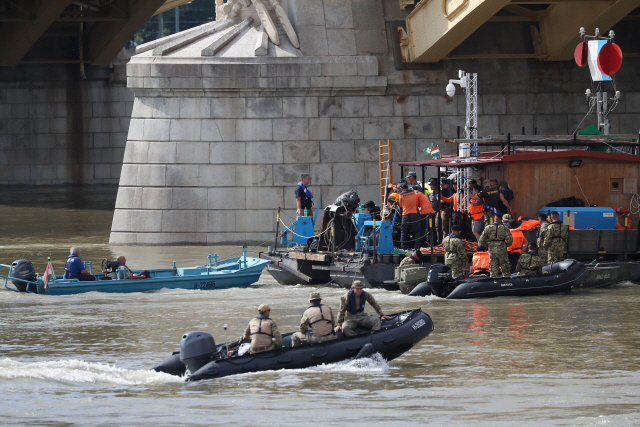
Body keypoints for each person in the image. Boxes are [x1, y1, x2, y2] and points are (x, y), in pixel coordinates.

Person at [478, 214, 513, 278]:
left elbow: (481, 240)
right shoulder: (504, 228)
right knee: (505, 266)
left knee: (493, 267)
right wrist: (506, 245)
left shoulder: (488, 227)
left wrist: (487, 245)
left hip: (492, 249)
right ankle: (507, 282)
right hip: (502, 249)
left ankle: (494, 282)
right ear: (500, 219)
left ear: (494, 219)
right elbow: (510, 239)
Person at [397, 182, 422, 250]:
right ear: (407, 187)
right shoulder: (413, 193)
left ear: (402, 189)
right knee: (416, 231)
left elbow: (401, 205)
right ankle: (417, 247)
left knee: (404, 232)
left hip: (405, 215)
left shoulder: (401, 194)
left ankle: (403, 248)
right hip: (414, 214)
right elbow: (416, 202)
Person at [437, 178, 452, 243]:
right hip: (440, 210)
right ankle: (439, 241)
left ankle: (444, 243)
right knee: (437, 226)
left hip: (446, 210)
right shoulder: (442, 190)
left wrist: (448, 207)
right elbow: (438, 198)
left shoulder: (450, 191)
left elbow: (449, 200)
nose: (441, 185)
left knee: (444, 227)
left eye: (443, 184)